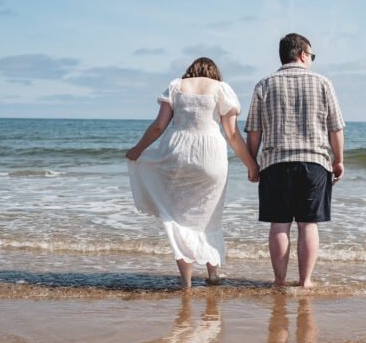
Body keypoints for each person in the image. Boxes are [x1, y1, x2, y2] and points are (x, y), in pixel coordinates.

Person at [126, 57, 259, 289]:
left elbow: (159, 126)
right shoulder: (221, 89)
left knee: (180, 219)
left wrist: (138, 150)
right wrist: (251, 164)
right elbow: (232, 134)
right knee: (210, 216)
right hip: (211, 156)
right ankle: (213, 275)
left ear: (191, 71)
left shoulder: (176, 86)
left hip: (177, 156)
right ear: (214, 73)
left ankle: (186, 283)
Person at [245, 33, 345, 288]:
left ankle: (279, 281)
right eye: (311, 55)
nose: (312, 59)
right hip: (313, 163)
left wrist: (252, 163)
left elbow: (254, 130)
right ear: (302, 54)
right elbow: (335, 128)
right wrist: (338, 160)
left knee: (279, 225)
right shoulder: (323, 83)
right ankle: (305, 281)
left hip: (275, 163)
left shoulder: (264, 85)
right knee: (307, 226)